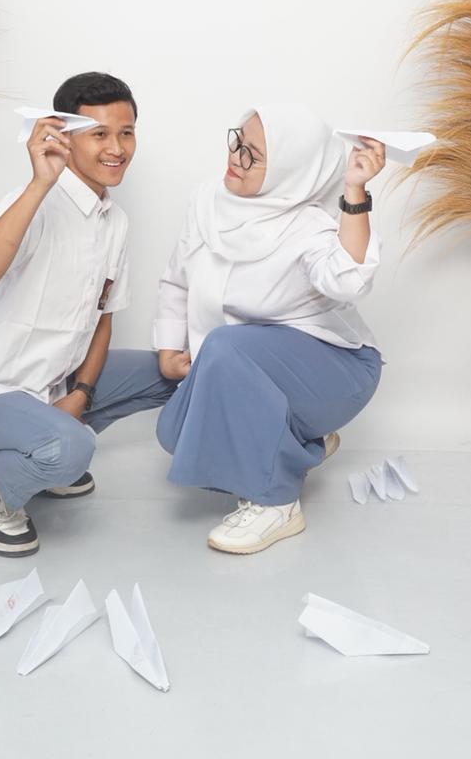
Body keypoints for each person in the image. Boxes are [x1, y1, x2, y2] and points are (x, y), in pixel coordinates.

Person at [0, 72, 175, 557]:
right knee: (72, 451)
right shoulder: (32, 203)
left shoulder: (115, 220)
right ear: (65, 135)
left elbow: (104, 317)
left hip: (56, 382)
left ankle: (47, 444)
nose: (117, 148)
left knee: (171, 373)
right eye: (99, 134)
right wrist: (38, 184)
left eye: (126, 133)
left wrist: (80, 395)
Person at [153, 103, 385, 555]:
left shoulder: (307, 225)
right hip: (250, 367)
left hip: (336, 371)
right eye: (237, 141)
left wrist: (355, 190)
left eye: (253, 155)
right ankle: (300, 441)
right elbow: (177, 279)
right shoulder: (207, 201)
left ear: (289, 170)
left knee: (225, 346)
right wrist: (167, 348)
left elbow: (348, 281)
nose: (235, 158)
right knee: (174, 433)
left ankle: (277, 502)